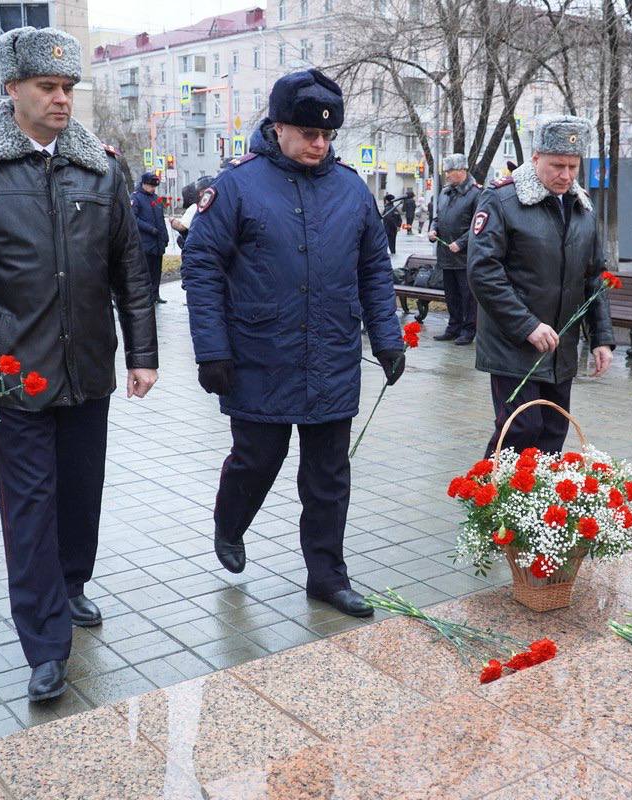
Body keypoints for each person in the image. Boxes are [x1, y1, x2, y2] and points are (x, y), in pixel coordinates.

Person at [0, 26, 158, 702]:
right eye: (48, 87)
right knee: (30, 510)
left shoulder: (100, 167)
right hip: (13, 377)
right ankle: (46, 644)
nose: (61, 99)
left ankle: (73, 584)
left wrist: (142, 353)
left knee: (81, 496)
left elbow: (129, 273)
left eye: (68, 88)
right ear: (13, 90)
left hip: (88, 370)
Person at [181, 69, 404, 617]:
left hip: (331, 355)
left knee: (328, 475)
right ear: (278, 126)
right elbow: (203, 267)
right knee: (259, 458)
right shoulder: (236, 186)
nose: (319, 144)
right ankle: (230, 523)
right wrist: (212, 350)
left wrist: (388, 337)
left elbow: (375, 268)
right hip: (259, 354)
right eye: (307, 133)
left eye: (327, 135)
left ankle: (327, 576)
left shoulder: (351, 188)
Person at [469, 115, 616, 455]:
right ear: (535, 158)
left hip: (560, 344)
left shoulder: (582, 208)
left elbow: (595, 276)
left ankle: (536, 507)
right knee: (521, 426)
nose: (565, 176)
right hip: (513, 342)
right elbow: (483, 270)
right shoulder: (503, 201)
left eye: (573, 166)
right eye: (557, 166)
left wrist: (602, 338)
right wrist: (527, 325)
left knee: (552, 431)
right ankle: (489, 500)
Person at [429, 153, 480, 345]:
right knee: (451, 295)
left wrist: (461, 242)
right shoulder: (445, 192)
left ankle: (468, 330)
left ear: (462, 170)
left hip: (464, 257)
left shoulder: (476, 193)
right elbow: (438, 217)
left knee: (467, 296)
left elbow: (479, 225)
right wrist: (433, 230)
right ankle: (453, 327)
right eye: (446, 171)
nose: (447, 174)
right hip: (446, 255)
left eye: (450, 171)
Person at [131, 172, 169, 304]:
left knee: (156, 270)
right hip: (145, 241)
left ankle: (155, 294)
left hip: (157, 241)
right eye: (151, 186)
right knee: (146, 270)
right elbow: (134, 219)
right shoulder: (136, 198)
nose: (153, 189)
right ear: (144, 184)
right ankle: (146, 296)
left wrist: (165, 236)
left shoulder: (156, 198)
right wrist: (149, 229)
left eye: (155, 186)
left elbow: (161, 218)